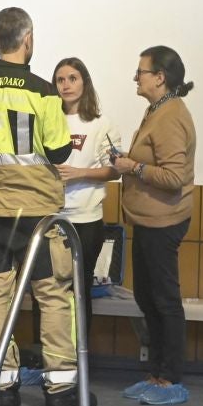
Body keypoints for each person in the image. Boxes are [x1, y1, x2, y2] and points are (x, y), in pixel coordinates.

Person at [0, 7, 94, 406]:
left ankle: (2, 383)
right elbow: (61, 150)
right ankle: (61, 387)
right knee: (52, 294)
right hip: (39, 214)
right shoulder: (44, 92)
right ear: (27, 39)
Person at [110, 46, 196, 406]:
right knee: (147, 297)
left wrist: (133, 168)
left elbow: (174, 176)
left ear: (160, 77)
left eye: (141, 72)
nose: (136, 77)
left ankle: (171, 378)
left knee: (164, 300)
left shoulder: (172, 114)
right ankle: (157, 374)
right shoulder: (156, 110)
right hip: (147, 219)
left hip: (164, 220)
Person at [52, 57, 126, 335]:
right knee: (46, 289)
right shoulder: (48, 119)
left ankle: (78, 358)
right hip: (51, 218)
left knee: (79, 289)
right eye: (60, 79)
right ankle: (48, 359)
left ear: (84, 82)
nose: (66, 85)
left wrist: (78, 174)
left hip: (85, 218)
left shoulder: (101, 123)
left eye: (73, 78)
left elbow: (114, 171)